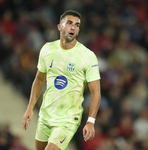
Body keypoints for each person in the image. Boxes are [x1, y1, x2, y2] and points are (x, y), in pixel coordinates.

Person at [22, 10, 101, 150]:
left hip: (68, 119)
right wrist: (30, 107)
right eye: (69, 23)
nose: (73, 27)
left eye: (77, 25)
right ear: (60, 26)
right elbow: (39, 79)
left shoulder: (87, 56)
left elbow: (96, 92)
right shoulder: (47, 49)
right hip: (46, 114)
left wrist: (90, 121)